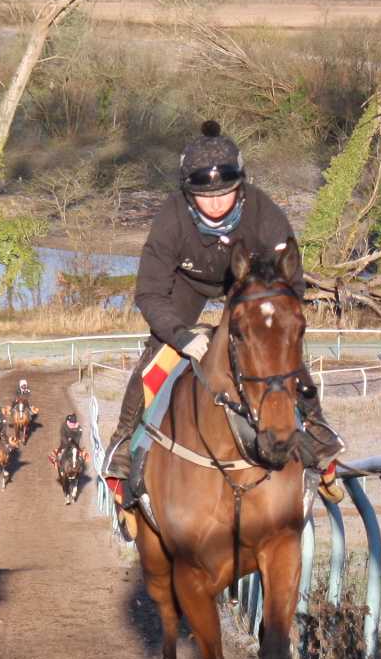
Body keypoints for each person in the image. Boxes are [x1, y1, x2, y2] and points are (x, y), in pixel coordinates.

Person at [104, 121, 340, 489]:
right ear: (187, 192)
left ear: (240, 186)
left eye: (225, 193)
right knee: (158, 353)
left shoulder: (265, 213)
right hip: (189, 283)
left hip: (249, 285)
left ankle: (320, 432)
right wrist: (181, 338)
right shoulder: (171, 217)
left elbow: (290, 284)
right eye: (203, 195)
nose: (215, 203)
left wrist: (269, 324)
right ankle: (122, 443)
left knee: (277, 348)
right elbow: (149, 294)